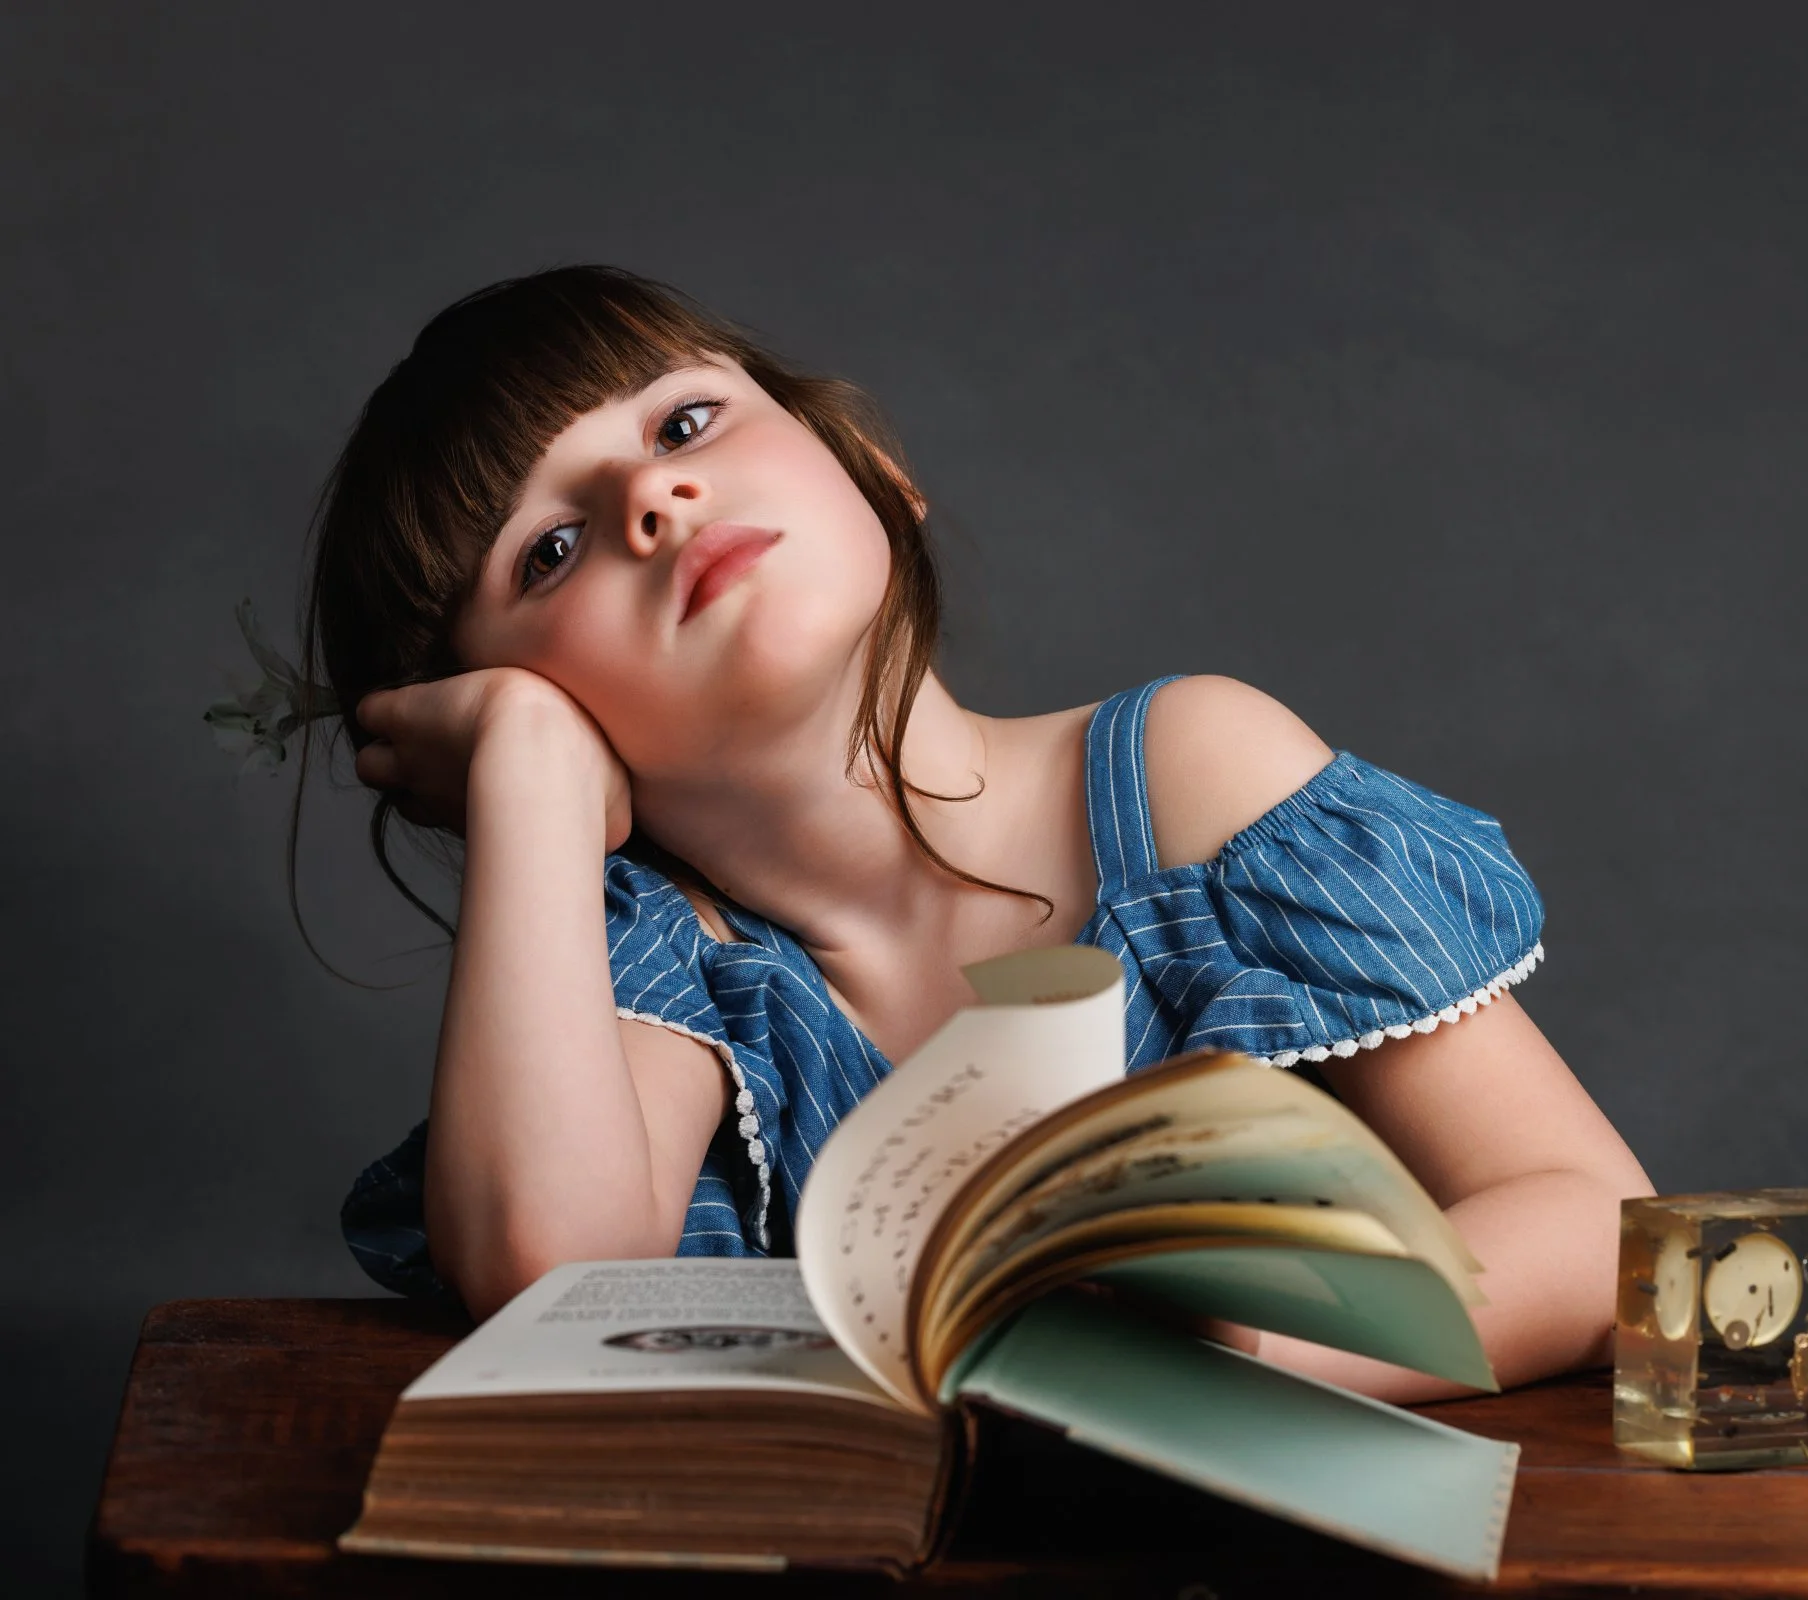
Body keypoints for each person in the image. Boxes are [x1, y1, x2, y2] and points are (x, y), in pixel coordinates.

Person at [318, 264, 1653, 1404]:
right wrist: (535, 783)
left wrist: (1235, 1359)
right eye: (549, 551)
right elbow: (557, 1279)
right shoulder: (667, 960)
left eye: (688, 420)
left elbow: (1591, 1220)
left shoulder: (1188, 775)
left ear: (874, 476)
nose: (652, 505)